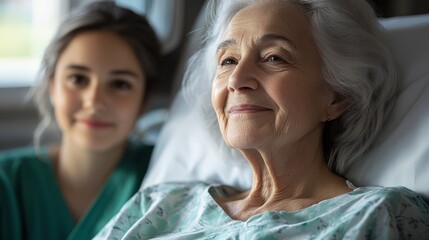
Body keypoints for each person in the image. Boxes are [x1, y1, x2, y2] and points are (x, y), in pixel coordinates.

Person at [95, 0, 429, 239]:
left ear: (338, 96)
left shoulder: (375, 214)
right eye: (227, 60)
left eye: (273, 57)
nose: (237, 79)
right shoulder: (160, 203)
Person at [0, 1, 161, 239]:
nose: (94, 102)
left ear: (144, 98)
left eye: (120, 84)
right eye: (77, 79)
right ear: (52, 85)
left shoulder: (165, 174)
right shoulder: (6, 181)